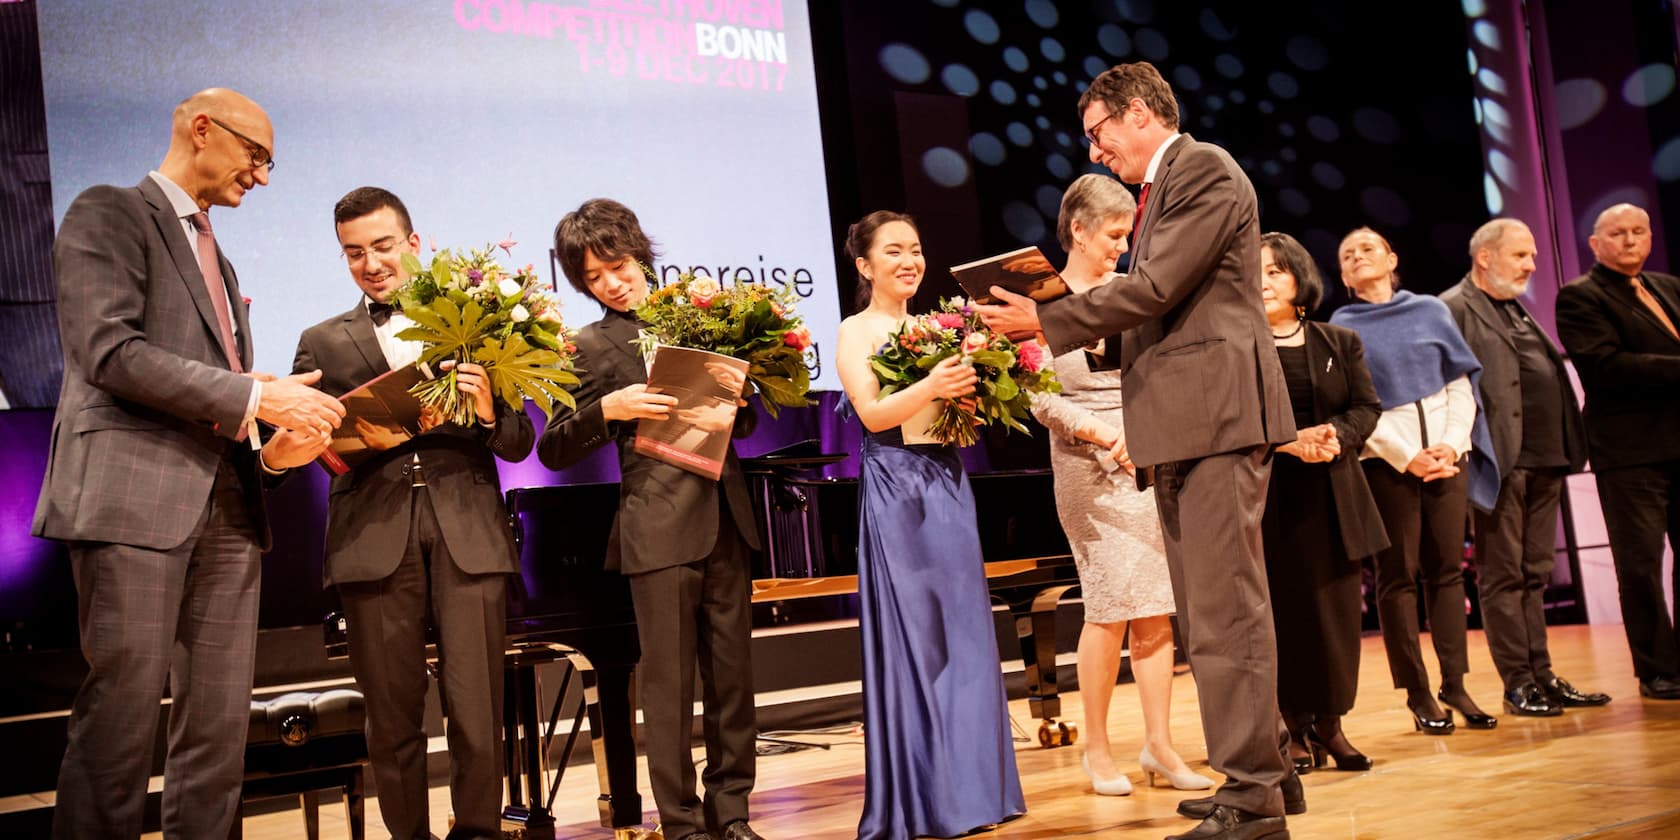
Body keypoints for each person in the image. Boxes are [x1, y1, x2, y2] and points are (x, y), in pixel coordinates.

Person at [978, 61, 1297, 840]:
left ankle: (1253, 797)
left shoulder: (1202, 169)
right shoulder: (1171, 185)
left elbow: (1154, 289)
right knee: (1214, 612)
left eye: (1098, 133)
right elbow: (1162, 310)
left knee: (1225, 616)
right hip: (1188, 423)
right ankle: (1264, 776)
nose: (1094, 152)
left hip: (1215, 418)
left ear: (1138, 113)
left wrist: (1045, 323)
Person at [31, 88, 344, 838]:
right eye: (256, 156)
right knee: (120, 725)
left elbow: (216, 395)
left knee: (216, 734)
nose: (262, 178)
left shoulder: (220, 256)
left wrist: (272, 437)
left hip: (230, 514)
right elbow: (108, 352)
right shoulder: (107, 212)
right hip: (132, 504)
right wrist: (251, 395)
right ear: (202, 129)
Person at [285, 187, 535, 839]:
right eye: (353, 253)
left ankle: (479, 831)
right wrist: (333, 440)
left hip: (467, 535)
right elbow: (313, 448)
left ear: (414, 244)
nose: (370, 263)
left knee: (477, 706)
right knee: (392, 717)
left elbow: (518, 440)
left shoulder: (476, 323)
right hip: (373, 538)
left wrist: (485, 414)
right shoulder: (320, 342)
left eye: (383, 246)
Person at [537, 199, 765, 840]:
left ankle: (734, 815)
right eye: (595, 277)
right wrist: (607, 407)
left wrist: (738, 406)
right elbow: (552, 446)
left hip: (727, 518)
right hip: (656, 528)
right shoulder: (585, 345)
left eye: (619, 264)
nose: (614, 281)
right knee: (667, 688)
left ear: (640, 253)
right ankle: (684, 824)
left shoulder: (697, 318)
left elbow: (741, 420)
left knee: (733, 685)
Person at [835, 210, 1026, 839]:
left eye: (915, 249)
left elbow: (953, 419)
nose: (909, 261)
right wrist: (933, 382)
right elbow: (871, 413)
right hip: (897, 489)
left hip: (946, 480)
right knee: (920, 641)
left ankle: (979, 793)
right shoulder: (854, 331)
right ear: (865, 266)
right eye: (893, 251)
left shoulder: (937, 328)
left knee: (966, 634)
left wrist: (970, 397)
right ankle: (928, 800)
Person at [1028, 174, 1212, 796]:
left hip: (1149, 453)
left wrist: (1144, 432)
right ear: (1076, 230)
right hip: (1086, 468)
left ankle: (1160, 745)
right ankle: (1098, 751)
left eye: (1126, 236)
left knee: (1156, 607)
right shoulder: (1039, 303)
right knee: (1109, 608)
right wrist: (1105, 437)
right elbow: (1040, 400)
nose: (1120, 248)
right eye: (1112, 236)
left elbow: (1159, 374)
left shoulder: (1128, 296)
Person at [1328, 227, 1499, 735]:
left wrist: (1451, 443)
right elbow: (1355, 407)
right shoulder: (1343, 326)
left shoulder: (1430, 311)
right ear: (1343, 275)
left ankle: (1456, 682)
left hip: (1448, 455)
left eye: (1368, 248)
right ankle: (1418, 691)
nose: (1359, 256)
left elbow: (1460, 383)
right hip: (1387, 463)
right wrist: (1407, 457)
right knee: (1397, 576)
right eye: (1348, 254)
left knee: (1447, 571)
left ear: (1391, 258)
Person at [1441, 218, 1610, 716]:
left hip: (1546, 457)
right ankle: (1518, 681)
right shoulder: (1453, 308)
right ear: (1485, 256)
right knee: (1502, 575)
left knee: (1534, 572)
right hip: (1500, 462)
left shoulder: (1515, 308)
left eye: (1533, 255)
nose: (1533, 264)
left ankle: (1542, 673)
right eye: (1522, 255)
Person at [1258, 232, 1387, 772]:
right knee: (1284, 619)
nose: (1264, 281)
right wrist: (1289, 442)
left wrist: (1334, 434)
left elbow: (1367, 407)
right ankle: (1291, 727)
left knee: (1335, 618)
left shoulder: (1340, 341)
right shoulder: (1237, 346)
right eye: (1255, 271)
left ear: (1299, 279)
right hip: (1269, 502)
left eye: (1276, 271)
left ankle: (1332, 725)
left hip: (1334, 497)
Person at [1555, 203, 1680, 701]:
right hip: (1630, 452)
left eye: (1639, 231)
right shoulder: (1580, 297)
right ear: (1595, 244)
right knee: (1641, 565)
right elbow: (1606, 366)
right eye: (1618, 233)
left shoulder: (1668, 287)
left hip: (1677, 442)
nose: (1630, 241)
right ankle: (1656, 669)